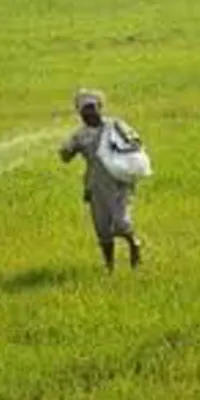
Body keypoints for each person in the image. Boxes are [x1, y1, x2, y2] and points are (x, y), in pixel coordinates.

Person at [59, 88, 141, 273]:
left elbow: (136, 143)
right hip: (95, 185)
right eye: (84, 110)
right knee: (102, 228)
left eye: (91, 108)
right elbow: (66, 156)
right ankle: (109, 266)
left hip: (119, 183)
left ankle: (134, 243)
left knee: (120, 223)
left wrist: (119, 148)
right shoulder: (80, 135)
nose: (88, 113)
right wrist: (67, 151)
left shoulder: (114, 126)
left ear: (99, 108)